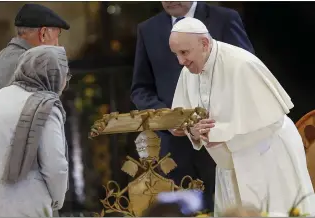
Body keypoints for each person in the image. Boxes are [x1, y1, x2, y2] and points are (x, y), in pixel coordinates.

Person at [169, 17, 315, 215]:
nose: (180, 61)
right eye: (176, 54)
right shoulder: (189, 71)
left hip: (266, 154)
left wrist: (215, 133)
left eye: (184, 53)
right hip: (230, 160)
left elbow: (269, 120)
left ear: (204, 44)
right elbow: (180, 120)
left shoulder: (242, 64)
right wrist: (193, 131)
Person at [130, 2, 253, 212]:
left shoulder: (224, 18)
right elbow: (140, 90)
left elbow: (246, 73)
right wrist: (168, 119)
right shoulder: (148, 29)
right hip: (174, 147)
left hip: (220, 139)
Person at [0, 46, 71, 217]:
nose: (65, 81)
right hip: (23, 205)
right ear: (54, 74)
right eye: (65, 74)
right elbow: (55, 165)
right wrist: (57, 199)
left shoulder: (2, 96)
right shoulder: (47, 106)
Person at [0, 3, 70, 137]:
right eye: (57, 37)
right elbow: (41, 128)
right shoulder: (32, 66)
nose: (57, 45)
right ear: (43, 34)